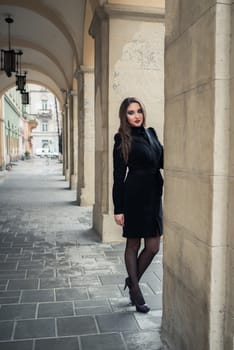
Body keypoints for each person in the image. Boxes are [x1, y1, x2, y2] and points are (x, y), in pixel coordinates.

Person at [112, 97, 163, 313]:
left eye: (139, 111)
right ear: (125, 116)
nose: (136, 115)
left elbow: (162, 160)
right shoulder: (122, 139)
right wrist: (118, 208)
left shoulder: (151, 133)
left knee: (153, 247)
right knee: (133, 244)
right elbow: (118, 176)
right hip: (133, 197)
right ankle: (136, 291)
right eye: (131, 112)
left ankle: (132, 281)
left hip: (153, 196)